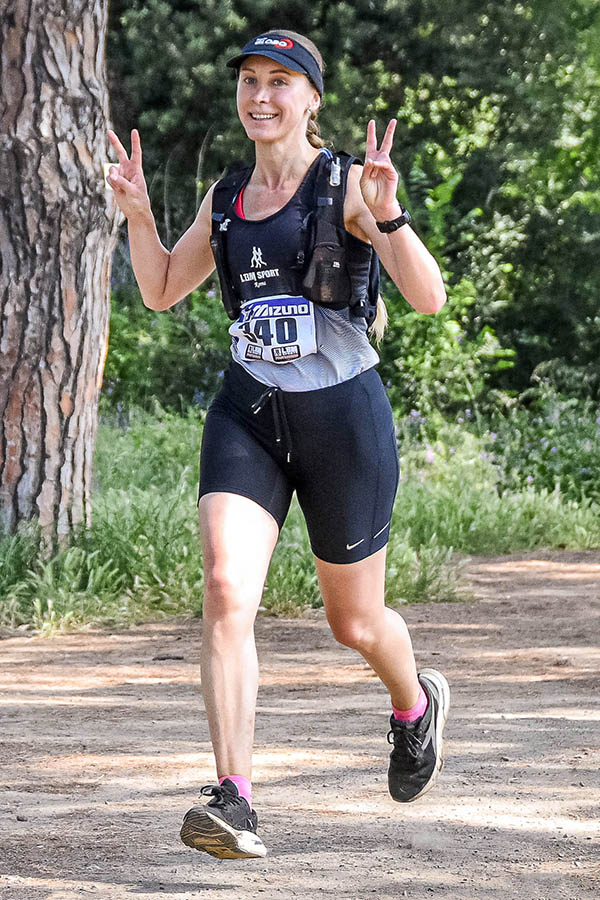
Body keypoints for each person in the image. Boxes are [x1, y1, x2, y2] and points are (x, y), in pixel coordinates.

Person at [107, 28, 450, 861]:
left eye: (280, 82)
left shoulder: (347, 186)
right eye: (250, 81)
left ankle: (416, 704)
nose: (261, 96)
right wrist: (140, 215)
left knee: (354, 622)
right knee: (227, 588)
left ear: (311, 99)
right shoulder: (227, 197)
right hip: (249, 415)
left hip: (343, 421)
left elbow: (429, 297)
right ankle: (235, 799)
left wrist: (390, 213)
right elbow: (161, 288)